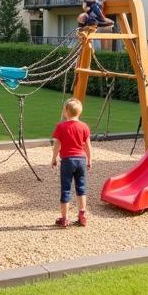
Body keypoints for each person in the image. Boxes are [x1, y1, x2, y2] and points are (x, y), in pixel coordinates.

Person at [51, 97, 92, 228]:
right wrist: (89, 159)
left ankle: (64, 219)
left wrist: (54, 157)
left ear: (66, 112)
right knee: (81, 188)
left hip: (67, 161)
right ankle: (82, 215)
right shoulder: (84, 126)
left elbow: (57, 144)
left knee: (66, 190)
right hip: (81, 160)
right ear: (79, 112)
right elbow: (88, 145)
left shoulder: (61, 126)